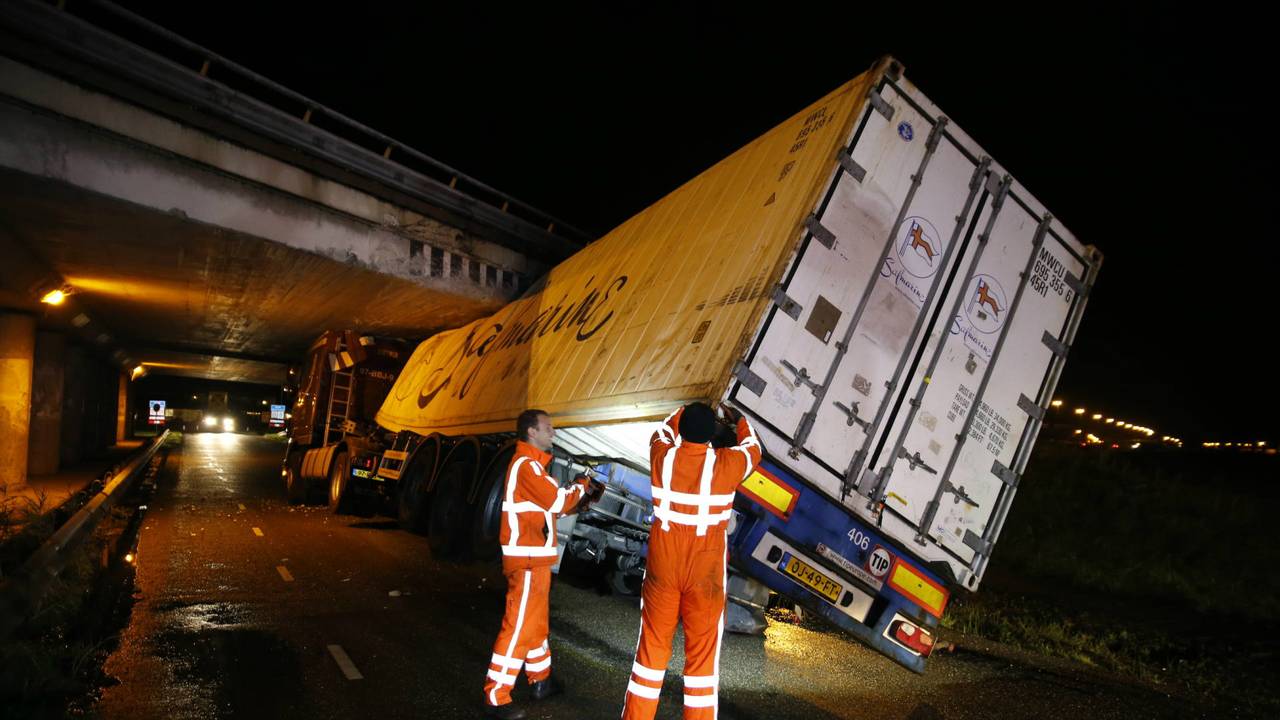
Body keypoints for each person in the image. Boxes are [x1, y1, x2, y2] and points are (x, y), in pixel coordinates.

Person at [621, 402, 761, 720]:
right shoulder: (727, 464)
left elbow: (662, 430)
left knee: (650, 656)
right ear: (711, 432)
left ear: (683, 428)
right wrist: (738, 420)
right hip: (704, 575)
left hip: (663, 569)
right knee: (701, 665)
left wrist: (683, 409)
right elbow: (753, 448)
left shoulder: (663, 457)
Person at [482, 408, 602, 719]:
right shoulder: (527, 466)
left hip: (533, 559)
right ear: (531, 432)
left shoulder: (531, 467)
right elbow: (559, 501)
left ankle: (541, 680)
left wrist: (581, 502)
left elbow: (554, 511)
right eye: (548, 428)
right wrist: (581, 484)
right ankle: (496, 696)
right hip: (527, 560)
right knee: (519, 626)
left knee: (534, 625)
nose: (553, 433)